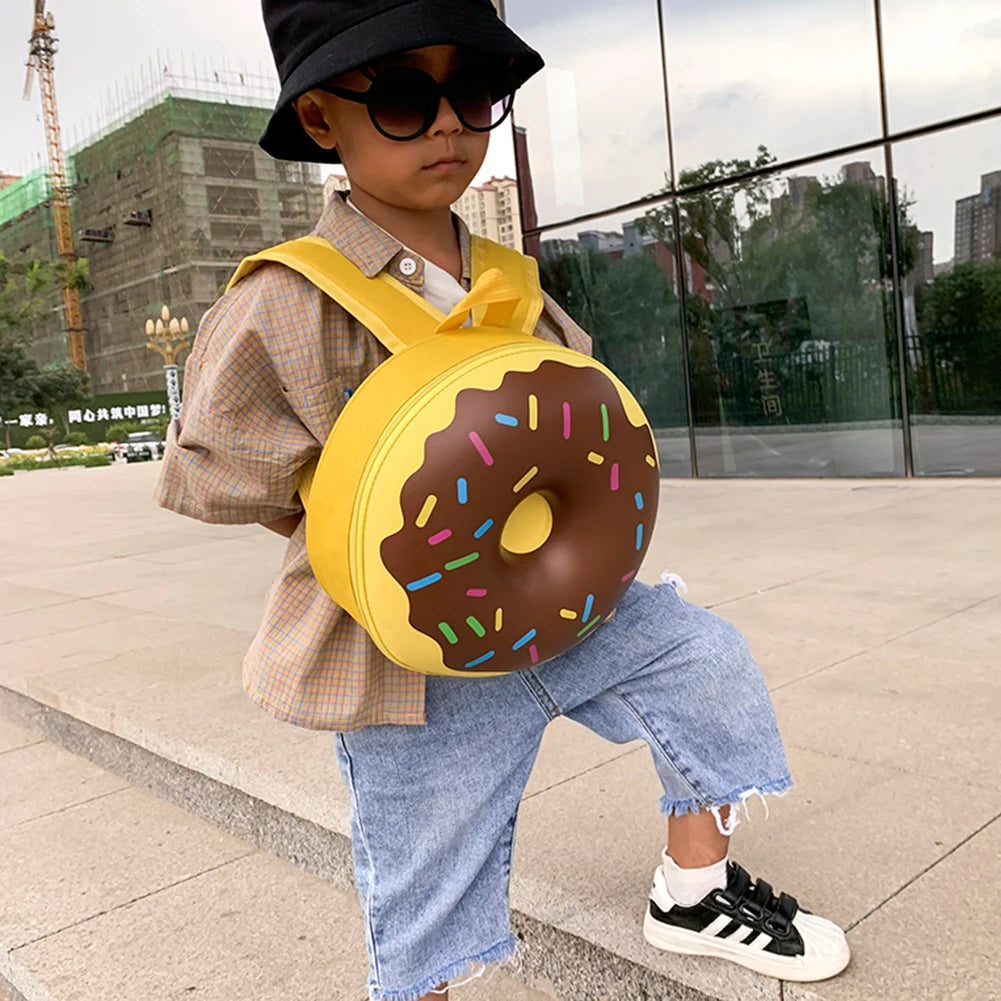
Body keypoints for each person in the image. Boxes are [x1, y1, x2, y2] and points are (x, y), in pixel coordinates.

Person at [156, 2, 851, 998]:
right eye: (401, 97)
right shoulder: (285, 299)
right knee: (420, 883)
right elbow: (215, 468)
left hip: (551, 604)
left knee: (703, 660)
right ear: (320, 121)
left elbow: (571, 404)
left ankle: (693, 890)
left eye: (471, 93)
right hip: (404, 662)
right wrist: (347, 511)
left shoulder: (505, 278)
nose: (446, 123)